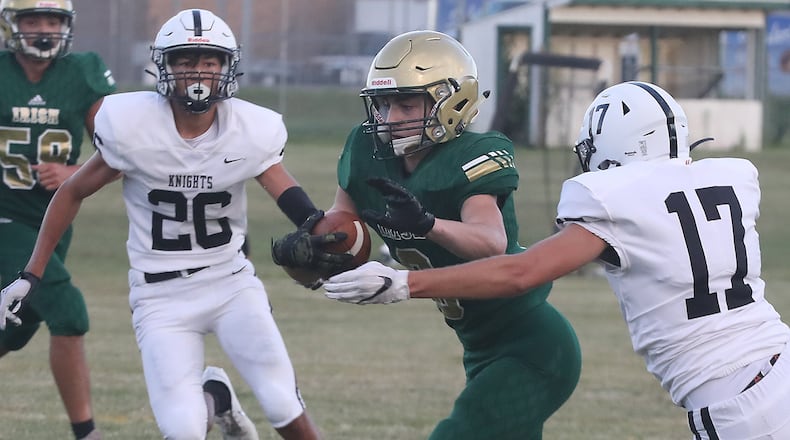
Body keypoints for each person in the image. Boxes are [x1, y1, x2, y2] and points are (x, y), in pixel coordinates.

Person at [324, 81, 790, 439]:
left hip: (737, 400)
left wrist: (404, 283)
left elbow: (520, 272)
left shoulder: (616, 196)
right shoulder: (732, 177)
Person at [0, 9, 340, 440]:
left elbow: (285, 191)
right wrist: (32, 273)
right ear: (164, 66)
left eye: (209, 61)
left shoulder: (250, 128)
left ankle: (215, 394)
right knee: (181, 430)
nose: (198, 71)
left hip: (230, 283)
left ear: (227, 67)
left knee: (281, 402)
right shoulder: (133, 126)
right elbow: (72, 192)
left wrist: (315, 226)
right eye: (185, 61)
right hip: (159, 294)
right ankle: (215, 396)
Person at [273, 30, 581, 440]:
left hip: (533, 347)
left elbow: (492, 242)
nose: (390, 117)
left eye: (405, 103)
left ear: (452, 101)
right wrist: (306, 253)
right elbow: (342, 235)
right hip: (480, 351)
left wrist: (427, 224)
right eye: (383, 103)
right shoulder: (366, 150)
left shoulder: (472, 153)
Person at [0, 0, 115, 438]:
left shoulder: (82, 72)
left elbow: (120, 151)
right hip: (3, 218)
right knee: (68, 311)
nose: (44, 28)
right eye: (33, 19)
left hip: (51, 224)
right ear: (12, 24)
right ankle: (87, 433)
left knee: (18, 322)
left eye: (53, 20)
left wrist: (73, 173)